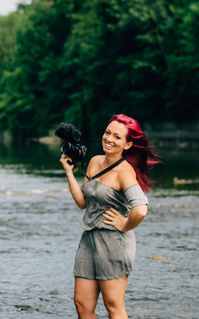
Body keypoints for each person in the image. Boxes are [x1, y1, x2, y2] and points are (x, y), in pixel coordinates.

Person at [59, 114, 160, 319]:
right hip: (89, 239)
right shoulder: (95, 161)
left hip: (113, 242)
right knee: (82, 304)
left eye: (117, 137)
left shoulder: (125, 171)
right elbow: (82, 203)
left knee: (113, 305)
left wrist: (124, 224)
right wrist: (69, 173)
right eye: (107, 133)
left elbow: (140, 208)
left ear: (128, 144)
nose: (109, 139)